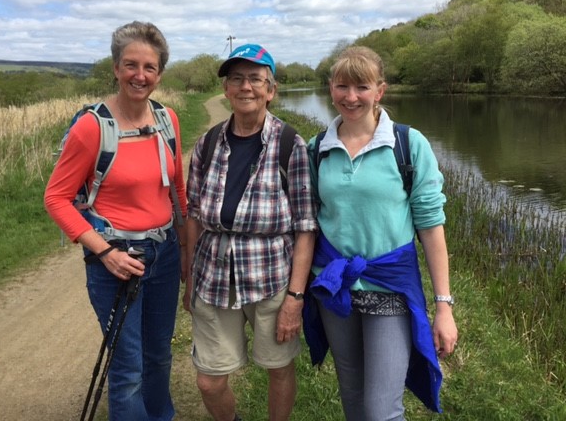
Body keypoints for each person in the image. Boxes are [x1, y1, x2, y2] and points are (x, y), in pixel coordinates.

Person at [303, 46, 458, 420]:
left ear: (380, 90)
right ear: (331, 89)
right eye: (342, 86)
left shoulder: (408, 144)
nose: (351, 97)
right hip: (334, 287)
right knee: (353, 396)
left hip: (389, 287)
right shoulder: (316, 150)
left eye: (362, 86)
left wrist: (443, 305)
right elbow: (307, 225)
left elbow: (431, 228)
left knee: (381, 409)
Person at [44, 21, 187, 421]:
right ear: (115, 67)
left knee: (159, 355)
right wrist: (104, 251)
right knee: (127, 370)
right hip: (115, 261)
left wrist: (185, 250)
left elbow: (178, 191)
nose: (139, 76)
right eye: (131, 65)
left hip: (164, 253)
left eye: (149, 68)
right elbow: (56, 198)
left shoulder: (167, 121)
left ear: (159, 74)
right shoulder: (92, 128)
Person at [184, 44, 318, 421]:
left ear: (270, 90)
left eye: (256, 79)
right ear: (225, 89)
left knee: (278, 368)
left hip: (271, 276)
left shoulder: (291, 145)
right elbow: (194, 215)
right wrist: (189, 279)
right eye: (237, 79)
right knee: (210, 381)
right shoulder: (208, 144)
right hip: (212, 277)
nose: (246, 87)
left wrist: (295, 296)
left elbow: (305, 226)